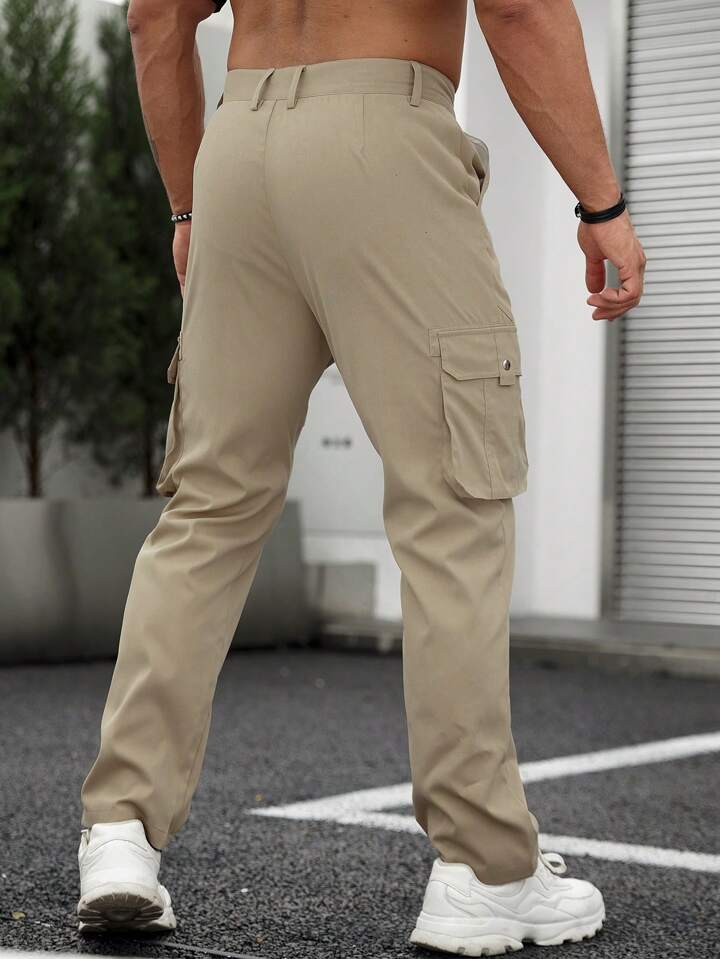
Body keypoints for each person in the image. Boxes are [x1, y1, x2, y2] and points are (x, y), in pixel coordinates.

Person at [77, 0, 646, 953]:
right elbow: (518, 8)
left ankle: (120, 830)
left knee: (210, 505)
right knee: (455, 499)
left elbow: (153, 17)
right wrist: (603, 206)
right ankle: (483, 866)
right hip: (386, 136)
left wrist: (188, 202)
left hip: (239, 150)